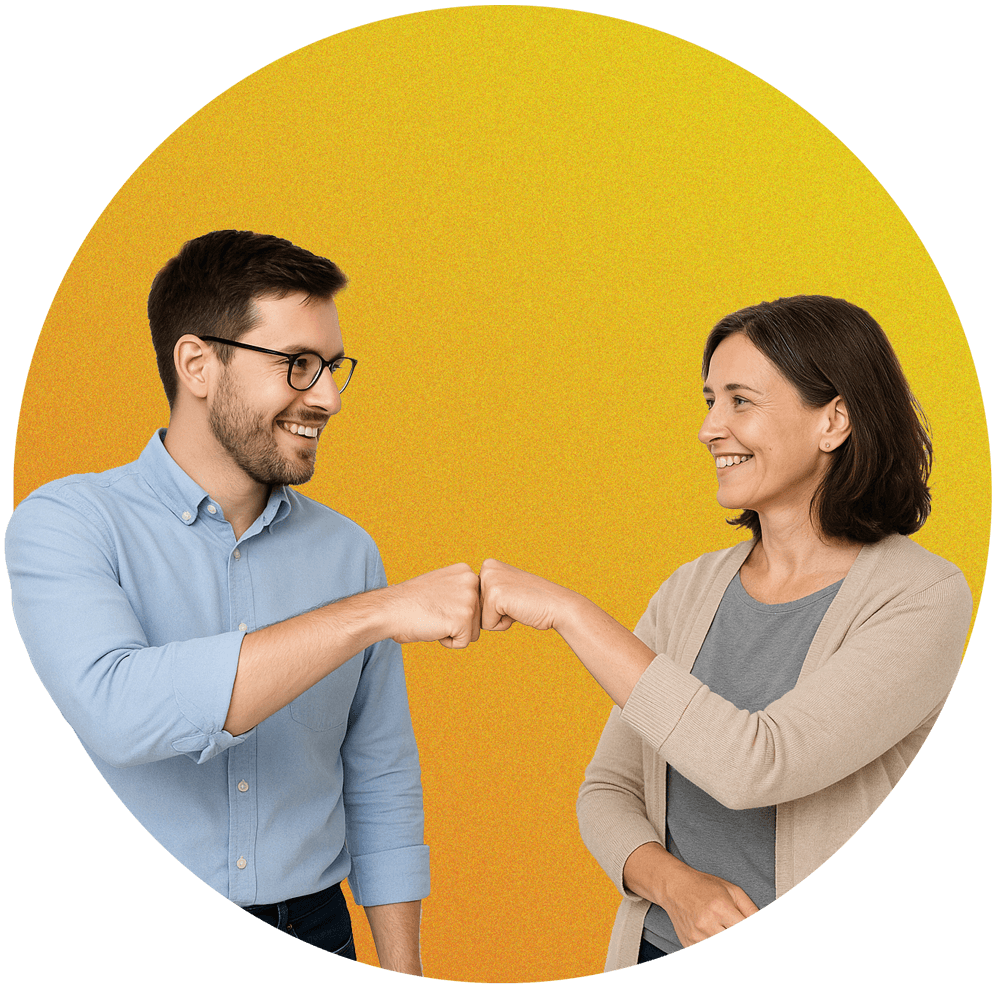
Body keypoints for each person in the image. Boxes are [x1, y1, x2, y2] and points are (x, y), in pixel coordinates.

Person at [7, 230, 482, 974]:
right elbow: (118, 709)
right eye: (297, 364)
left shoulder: (349, 552)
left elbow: (379, 775)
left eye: (331, 367)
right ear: (198, 363)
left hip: (318, 924)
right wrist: (373, 613)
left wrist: (404, 965)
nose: (325, 396)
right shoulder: (66, 523)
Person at [478, 295, 972, 969]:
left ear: (834, 419)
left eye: (741, 400)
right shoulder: (691, 589)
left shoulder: (922, 599)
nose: (710, 427)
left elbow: (757, 763)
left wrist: (570, 611)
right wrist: (675, 887)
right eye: (710, 399)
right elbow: (608, 790)